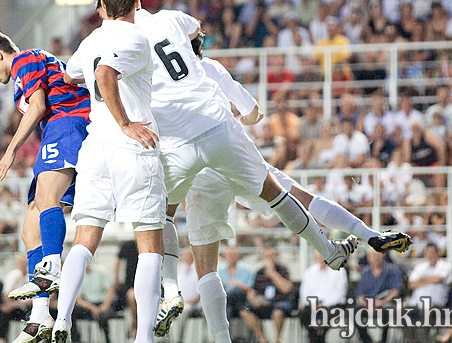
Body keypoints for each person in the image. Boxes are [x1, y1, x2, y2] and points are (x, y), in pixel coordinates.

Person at [146, 25, 411, 341]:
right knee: (299, 196)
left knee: (202, 260)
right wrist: (239, 122)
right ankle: (361, 238)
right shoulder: (210, 68)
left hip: (195, 167)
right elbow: (254, 112)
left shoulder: (157, 79)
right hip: (228, 147)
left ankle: (181, 298)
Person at [51, 0, 167, 343]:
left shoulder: (91, 39)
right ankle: (144, 337)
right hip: (132, 148)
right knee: (150, 244)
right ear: (137, 2)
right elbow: (104, 74)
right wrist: (126, 122)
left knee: (84, 240)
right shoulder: (137, 36)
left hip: (95, 150)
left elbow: (72, 76)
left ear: (101, 7)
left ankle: (62, 319)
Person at [0, 28, 91, 342]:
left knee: (47, 199)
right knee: (29, 229)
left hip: (70, 123)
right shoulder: (18, 85)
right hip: (56, 132)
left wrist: (10, 153)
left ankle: (51, 267)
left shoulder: (26, 59)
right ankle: (39, 316)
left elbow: (38, 106)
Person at [240, 247, 294, 343]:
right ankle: (263, 338)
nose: (269, 259)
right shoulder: (259, 272)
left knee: (278, 312)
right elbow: (254, 290)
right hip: (263, 303)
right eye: (266, 257)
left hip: (279, 302)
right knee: (245, 311)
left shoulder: (283, 269)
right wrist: (252, 298)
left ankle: (277, 339)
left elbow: (286, 289)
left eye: (271, 256)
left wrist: (272, 273)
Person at [406, 243, 452, 341]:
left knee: (426, 308)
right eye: (428, 252)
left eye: (432, 252)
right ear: (425, 254)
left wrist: (422, 280)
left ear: (437, 253)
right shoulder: (420, 267)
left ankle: (423, 341)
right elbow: (411, 284)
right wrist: (429, 280)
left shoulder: (446, 266)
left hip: (435, 303)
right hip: (415, 302)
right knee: (398, 308)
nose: (430, 255)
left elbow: (439, 279)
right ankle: (412, 340)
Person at [354, 249, 403, 343]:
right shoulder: (365, 272)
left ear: (383, 256)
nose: (376, 258)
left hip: (386, 302)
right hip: (369, 304)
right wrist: (368, 305)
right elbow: (360, 295)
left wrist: (381, 303)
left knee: (386, 312)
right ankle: (368, 341)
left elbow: (395, 292)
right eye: (373, 255)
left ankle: (382, 340)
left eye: (378, 255)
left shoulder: (392, 270)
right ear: (368, 258)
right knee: (355, 312)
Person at [299, 252, 347, 343]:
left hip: (331, 305)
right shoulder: (309, 272)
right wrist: (314, 304)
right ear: (316, 258)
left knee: (329, 314)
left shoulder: (339, 271)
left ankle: (320, 338)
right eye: (319, 256)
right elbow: (304, 293)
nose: (322, 259)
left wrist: (324, 304)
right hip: (313, 305)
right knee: (304, 314)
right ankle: (314, 337)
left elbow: (340, 293)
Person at [71, 262, 117, 343]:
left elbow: (110, 290)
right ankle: (76, 340)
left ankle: (107, 340)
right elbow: (78, 299)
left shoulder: (101, 271)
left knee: (103, 316)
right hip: (89, 305)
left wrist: (105, 306)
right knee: (72, 313)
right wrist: (92, 308)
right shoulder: (78, 276)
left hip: (103, 303)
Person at [0, 254, 31, 343]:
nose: (23, 265)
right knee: (4, 312)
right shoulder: (11, 276)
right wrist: (15, 283)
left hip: (28, 306)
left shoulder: (32, 275)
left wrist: (17, 304)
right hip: (14, 307)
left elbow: (35, 297)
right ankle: (2, 339)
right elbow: (5, 296)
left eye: (24, 263)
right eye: (20, 263)